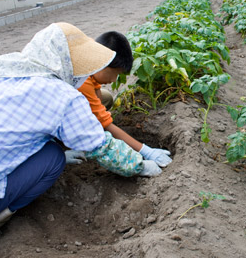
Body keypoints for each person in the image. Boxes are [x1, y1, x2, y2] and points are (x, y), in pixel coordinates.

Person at [0, 22, 170, 257]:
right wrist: (140, 164)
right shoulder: (62, 96)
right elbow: (101, 148)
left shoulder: (0, 70)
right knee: (52, 158)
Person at [69, 31, 172, 168]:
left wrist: (101, 113)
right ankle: (64, 144)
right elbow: (105, 124)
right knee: (95, 122)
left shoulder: (94, 53)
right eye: (116, 73)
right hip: (53, 112)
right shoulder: (82, 81)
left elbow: (97, 89)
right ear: (103, 64)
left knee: (105, 98)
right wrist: (145, 151)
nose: (114, 80)